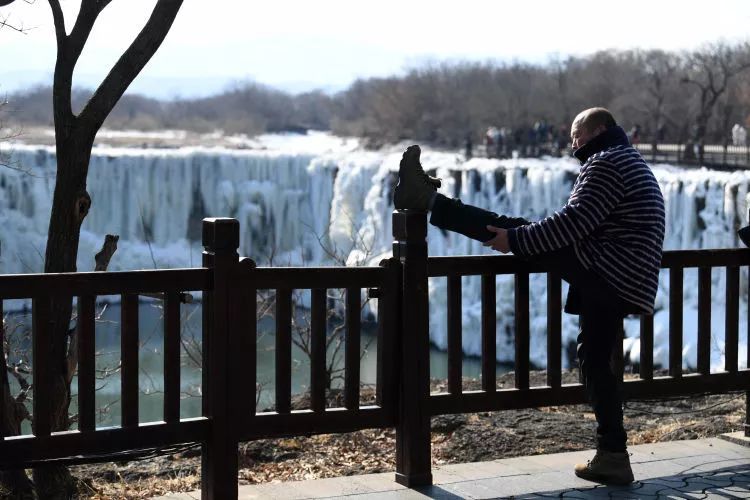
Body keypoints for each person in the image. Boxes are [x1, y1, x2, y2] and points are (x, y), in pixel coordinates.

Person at [393, 107, 665, 486]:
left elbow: (573, 222)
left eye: (578, 135)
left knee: (515, 231)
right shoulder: (627, 159)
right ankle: (613, 454)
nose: (573, 144)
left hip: (609, 270)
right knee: (595, 358)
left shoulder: (607, 163)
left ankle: (426, 200)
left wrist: (517, 242)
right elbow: (581, 223)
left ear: (601, 130)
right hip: (624, 272)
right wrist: (521, 239)